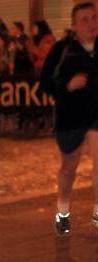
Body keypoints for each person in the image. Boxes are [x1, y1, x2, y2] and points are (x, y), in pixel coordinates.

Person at [40, 2, 98, 236]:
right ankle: (63, 210)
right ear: (74, 26)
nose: (91, 23)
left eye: (94, 18)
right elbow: (45, 82)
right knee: (69, 168)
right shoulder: (62, 49)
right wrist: (67, 86)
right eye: (84, 19)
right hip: (70, 117)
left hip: (96, 114)